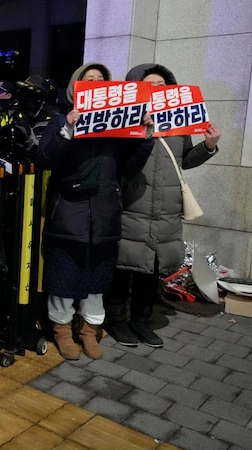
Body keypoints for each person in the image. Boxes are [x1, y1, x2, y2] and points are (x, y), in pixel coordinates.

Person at [36, 62, 154, 360]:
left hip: (103, 215)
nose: (96, 83)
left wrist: (145, 137)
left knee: (97, 280)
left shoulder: (118, 128)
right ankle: (62, 331)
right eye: (89, 80)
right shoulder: (61, 119)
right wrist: (68, 129)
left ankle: (90, 331)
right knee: (63, 278)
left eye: (101, 80)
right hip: (68, 216)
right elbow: (46, 160)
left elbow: (128, 167)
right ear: (76, 87)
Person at [104, 63, 221, 348]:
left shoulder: (179, 122)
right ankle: (116, 321)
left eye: (161, 86)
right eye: (150, 85)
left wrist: (208, 146)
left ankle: (141, 322)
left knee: (152, 269)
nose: (157, 90)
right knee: (124, 265)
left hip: (167, 208)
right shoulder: (125, 119)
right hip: (133, 203)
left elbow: (185, 161)